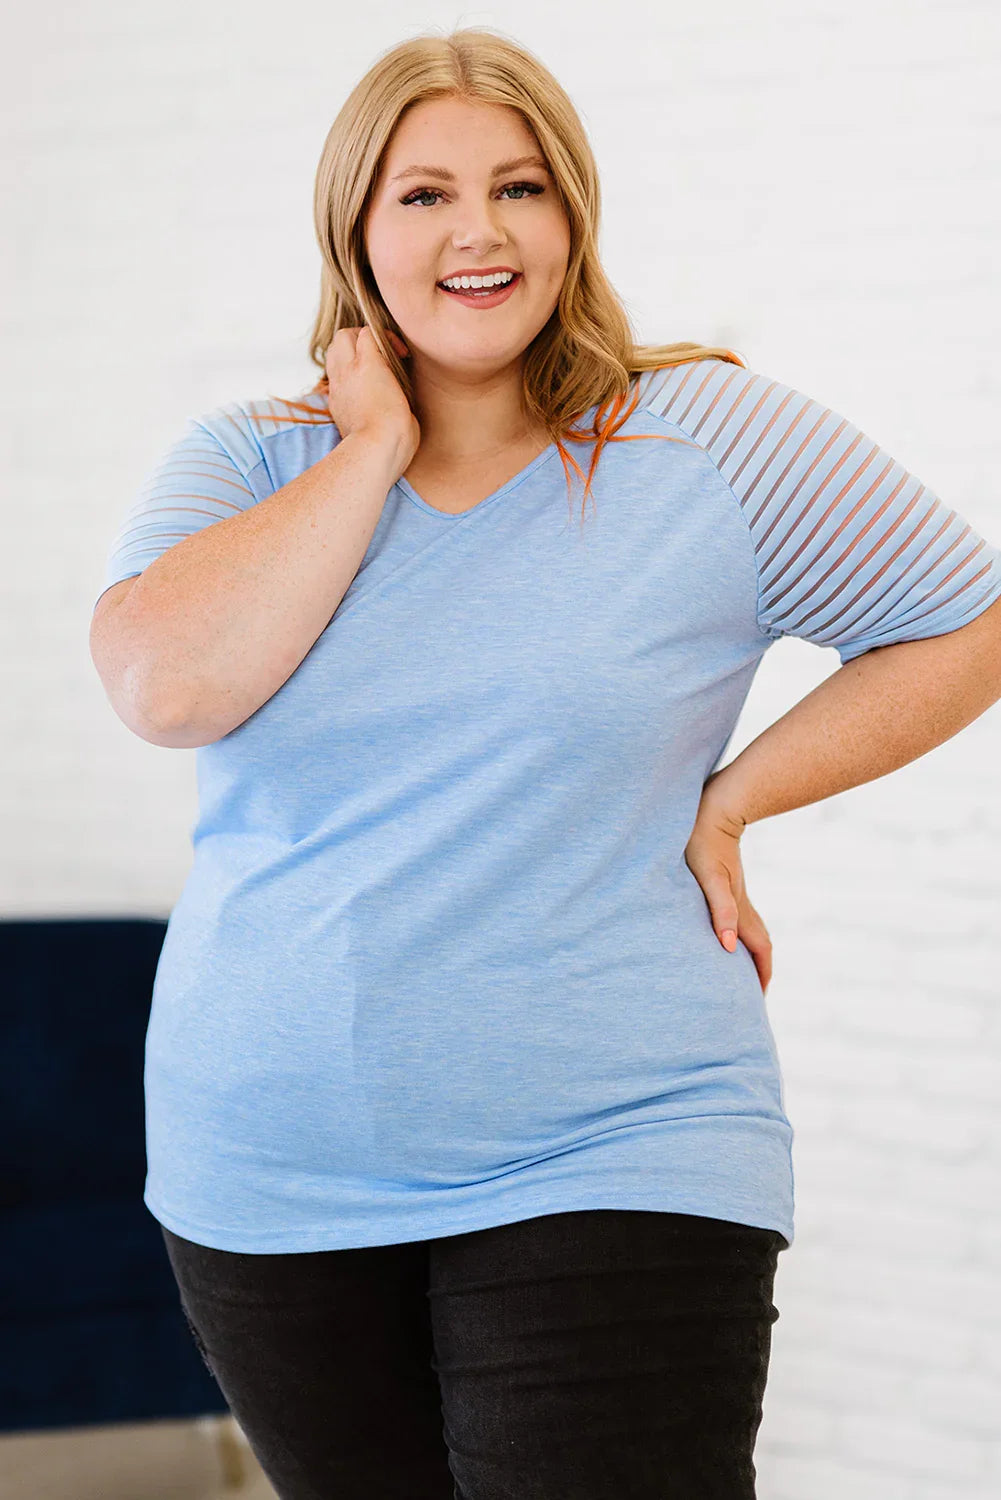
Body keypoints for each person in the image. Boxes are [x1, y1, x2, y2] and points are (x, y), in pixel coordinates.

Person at [89, 26, 1001, 1500]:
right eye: (425, 194)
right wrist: (368, 449)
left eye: (520, 188)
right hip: (268, 1161)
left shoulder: (703, 438)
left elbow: (962, 622)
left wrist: (737, 797)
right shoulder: (248, 459)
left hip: (617, 1136)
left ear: (571, 217)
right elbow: (166, 687)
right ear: (354, 228)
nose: (478, 231)